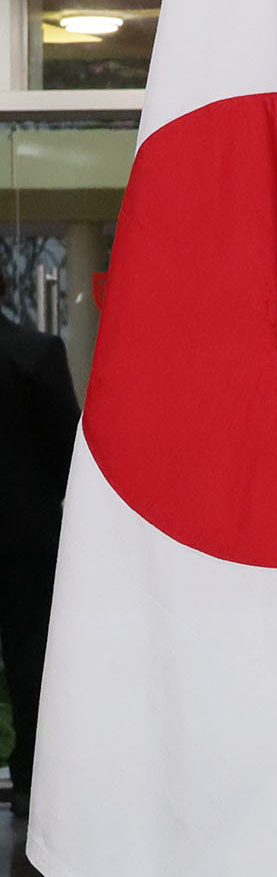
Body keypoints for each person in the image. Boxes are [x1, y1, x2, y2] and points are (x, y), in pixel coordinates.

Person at [0, 314, 80, 804]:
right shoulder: (36, 354)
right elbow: (68, 449)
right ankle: (32, 780)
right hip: (25, 535)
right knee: (32, 662)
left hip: (25, 533)